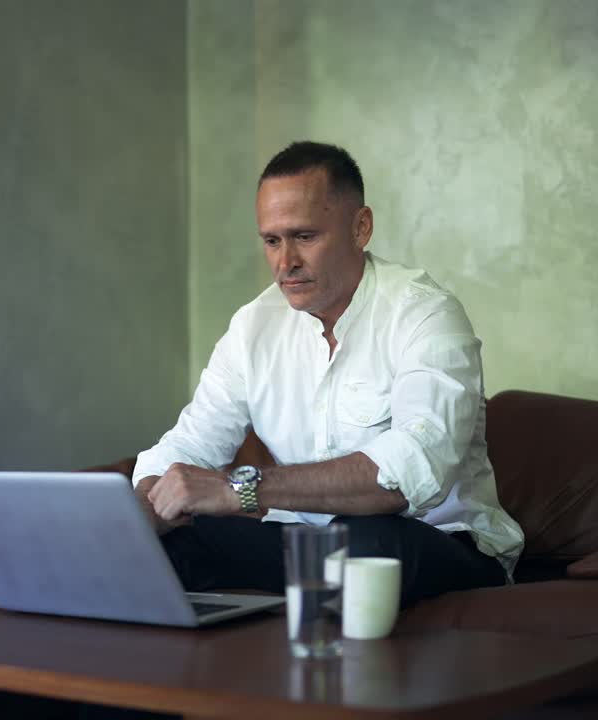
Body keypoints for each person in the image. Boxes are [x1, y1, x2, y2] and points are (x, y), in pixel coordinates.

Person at [134, 141, 524, 608]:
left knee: (366, 546)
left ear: (361, 228)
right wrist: (142, 508)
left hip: (439, 544)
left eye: (304, 236)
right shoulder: (253, 326)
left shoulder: (425, 315)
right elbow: (188, 445)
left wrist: (240, 488)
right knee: (170, 542)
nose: (285, 263)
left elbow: (409, 472)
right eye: (272, 241)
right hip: (306, 543)